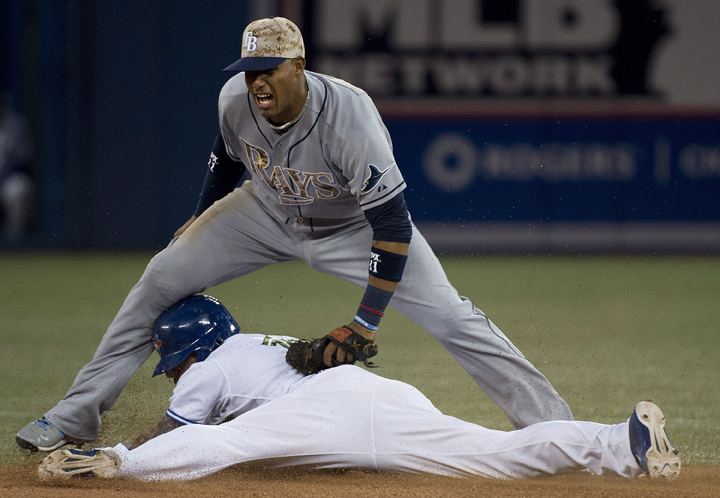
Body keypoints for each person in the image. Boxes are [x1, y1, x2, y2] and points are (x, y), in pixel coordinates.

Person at [17, 16, 573, 452]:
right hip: (264, 211)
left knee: (453, 316)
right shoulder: (235, 97)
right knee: (161, 275)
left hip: (352, 227)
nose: (257, 80)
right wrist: (201, 214)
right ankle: (74, 417)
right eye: (250, 68)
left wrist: (363, 324)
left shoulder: (350, 120)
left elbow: (393, 228)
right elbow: (226, 157)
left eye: (270, 68)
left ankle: (555, 429)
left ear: (299, 66)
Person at [37, 296, 681, 481]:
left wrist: (129, 444)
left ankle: (108, 466)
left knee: (221, 442)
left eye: (170, 363)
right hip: (378, 397)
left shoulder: (206, 368)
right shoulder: (257, 342)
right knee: (493, 454)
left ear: (187, 351)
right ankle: (621, 443)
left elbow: (184, 434)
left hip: (319, 413)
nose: (173, 374)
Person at [0, 94, 35, 243]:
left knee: (20, 189)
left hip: (6, 179)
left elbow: (24, 160)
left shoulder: (15, 125)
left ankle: (14, 244)